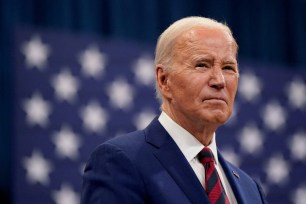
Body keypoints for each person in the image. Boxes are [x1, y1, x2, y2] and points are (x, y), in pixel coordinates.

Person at [81, 16, 267, 204]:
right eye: (202, 65)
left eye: (228, 67)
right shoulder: (119, 163)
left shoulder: (250, 189)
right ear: (164, 80)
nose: (219, 81)